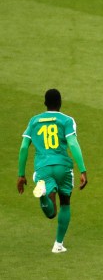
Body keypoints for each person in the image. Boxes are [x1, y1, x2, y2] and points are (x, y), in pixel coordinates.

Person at [17, 89, 88, 254]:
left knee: (50, 212)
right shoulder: (67, 120)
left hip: (43, 169)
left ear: (45, 103)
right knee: (65, 203)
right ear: (60, 103)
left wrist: (21, 174)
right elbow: (72, 143)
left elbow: (23, 148)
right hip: (63, 167)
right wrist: (83, 170)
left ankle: (42, 197)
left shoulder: (34, 121)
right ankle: (58, 244)